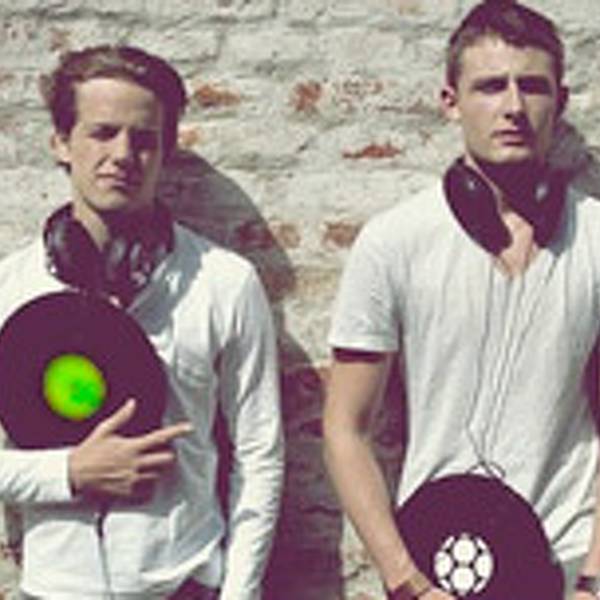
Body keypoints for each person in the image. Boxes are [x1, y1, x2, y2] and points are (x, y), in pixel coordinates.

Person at [323, 1, 600, 599]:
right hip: (440, 564)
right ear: (450, 101)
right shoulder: (394, 241)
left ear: (561, 101)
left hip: (567, 564)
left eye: (532, 86)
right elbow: (345, 427)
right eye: (490, 86)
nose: (513, 107)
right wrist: (408, 583)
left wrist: (593, 581)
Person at [0, 45, 284, 599]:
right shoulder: (9, 288)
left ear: (165, 150)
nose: (123, 155)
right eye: (102, 132)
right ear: (61, 142)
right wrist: (70, 472)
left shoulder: (224, 283)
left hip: (183, 585)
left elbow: (260, 455)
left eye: (144, 138)